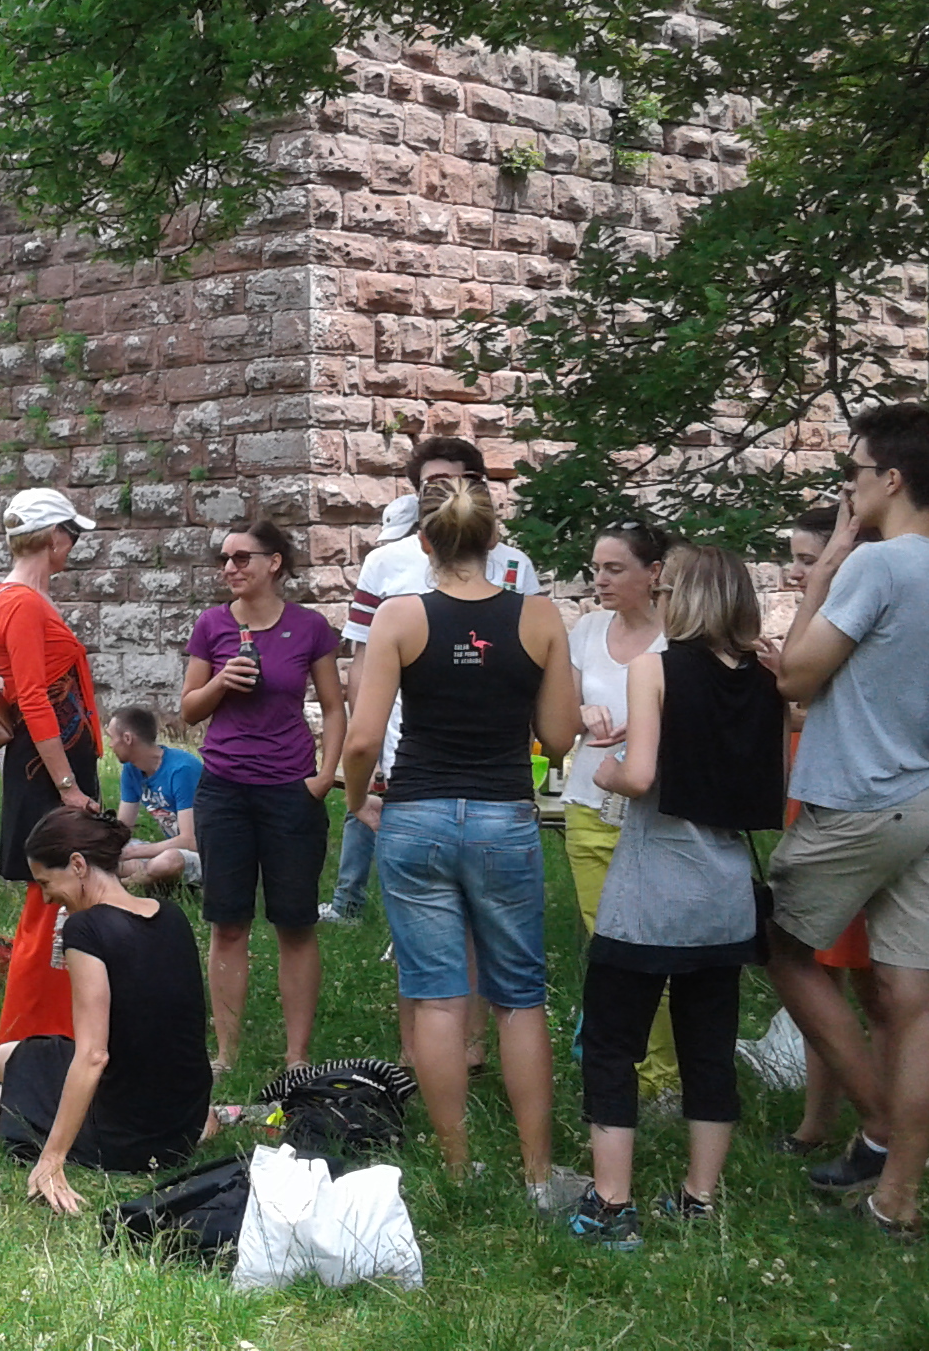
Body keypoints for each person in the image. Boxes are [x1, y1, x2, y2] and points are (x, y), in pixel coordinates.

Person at [766, 401, 929, 1240]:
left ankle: (877, 1123)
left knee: (783, 948)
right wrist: (911, 703)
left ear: (892, 480)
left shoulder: (877, 565)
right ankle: (896, 1200)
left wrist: (827, 568)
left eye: (855, 472)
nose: (848, 488)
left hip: (864, 801)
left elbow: (794, 680)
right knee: (912, 999)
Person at [341, 478, 583, 1203]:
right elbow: (559, 736)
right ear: (494, 542)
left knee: (438, 999)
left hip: (415, 813)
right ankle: (538, 1176)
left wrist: (357, 803)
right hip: (502, 815)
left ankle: (457, 1168)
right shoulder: (538, 616)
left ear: (425, 543)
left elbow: (362, 739)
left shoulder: (400, 616)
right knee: (519, 998)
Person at [566, 547, 782, 1248]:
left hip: (652, 886)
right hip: (725, 889)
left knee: (611, 1041)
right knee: (708, 1047)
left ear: (681, 598)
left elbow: (639, 778)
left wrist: (605, 769)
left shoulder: (653, 667)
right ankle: (699, 1198)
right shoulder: (764, 678)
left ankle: (611, 1204)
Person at [330, 438, 547, 928]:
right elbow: (361, 662)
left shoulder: (516, 566)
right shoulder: (385, 562)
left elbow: (533, 677)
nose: (450, 494)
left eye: (461, 482)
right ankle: (358, 908)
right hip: (411, 751)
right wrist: (369, 741)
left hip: (496, 764)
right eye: (435, 485)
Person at [0, 807, 216, 1211]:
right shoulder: (171, 916)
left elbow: (93, 1055)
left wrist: (51, 1159)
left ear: (78, 865)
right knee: (3, 1056)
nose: (46, 897)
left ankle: (76, 1135)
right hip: (182, 1120)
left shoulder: (85, 929)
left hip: (127, 1133)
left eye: (46, 883)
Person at [180, 518, 346, 1073]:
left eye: (241, 558)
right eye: (224, 559)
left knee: (295, 923)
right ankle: (226, 1054)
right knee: (228, 922)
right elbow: (188, 709)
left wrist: (325, 777)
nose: (229, 568)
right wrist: (220, 682)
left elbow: (334, 707)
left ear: (274, 563)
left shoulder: (309, 627)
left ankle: (297, 1057)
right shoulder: (212, 625)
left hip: (290, 791)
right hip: (224, 789)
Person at [777, 505, 886, 1156]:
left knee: (862, 976)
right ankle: (819, 1122)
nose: (796, 571)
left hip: (847, 805)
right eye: (794, 558)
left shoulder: (855, 621)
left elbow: (799, 694)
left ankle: (880, 1125)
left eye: (809, 559)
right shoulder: (825, 617)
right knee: (824, 971)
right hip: (813, 793)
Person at [0, 488, 103, 1053]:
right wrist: (68, 787)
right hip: (47, 769)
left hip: (51, 763)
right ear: (54, 537)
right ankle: (29, 1035)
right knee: (49, 900)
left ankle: (59, 1025)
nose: (72, 545)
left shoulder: (23, 598)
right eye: (71, 535)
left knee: (61, 899)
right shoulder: (24, 604)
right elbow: (32, 697)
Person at [561, 520, 676, 1101]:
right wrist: (580, 713)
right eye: (596, 568)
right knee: (609, 946)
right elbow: (559, 714)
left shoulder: (678, 637)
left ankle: (665, 1076)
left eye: (614, 568)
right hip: (587, 805)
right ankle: (622, 1064)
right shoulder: (587, 630)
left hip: (655, 812)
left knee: (657, 945)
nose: (600, 579)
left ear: (653, 573)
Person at [110, 706, 202, 891]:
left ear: (127, 739)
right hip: (170, 849)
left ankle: (120, 888)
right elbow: (123, 829)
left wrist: (133, 852)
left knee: (167, 862)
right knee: (99, 858)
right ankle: (148, 879)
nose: (110, 745)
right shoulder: (132, 770)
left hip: (205, 853)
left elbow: (190, 840)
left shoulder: (182, 770)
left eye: (111, 738)